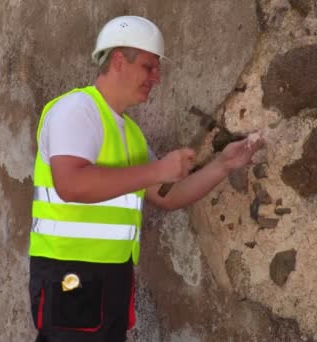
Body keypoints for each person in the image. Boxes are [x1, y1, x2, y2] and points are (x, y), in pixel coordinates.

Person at [28, 15, 265, 342]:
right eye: (148, 67)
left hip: (111, 278)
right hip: (70, 273)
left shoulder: (131, 134)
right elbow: (70, 184)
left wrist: (224, 165)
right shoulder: (76, 110)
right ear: (118, 62)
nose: (156, 77)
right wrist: (158, 169)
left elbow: (168, 195)